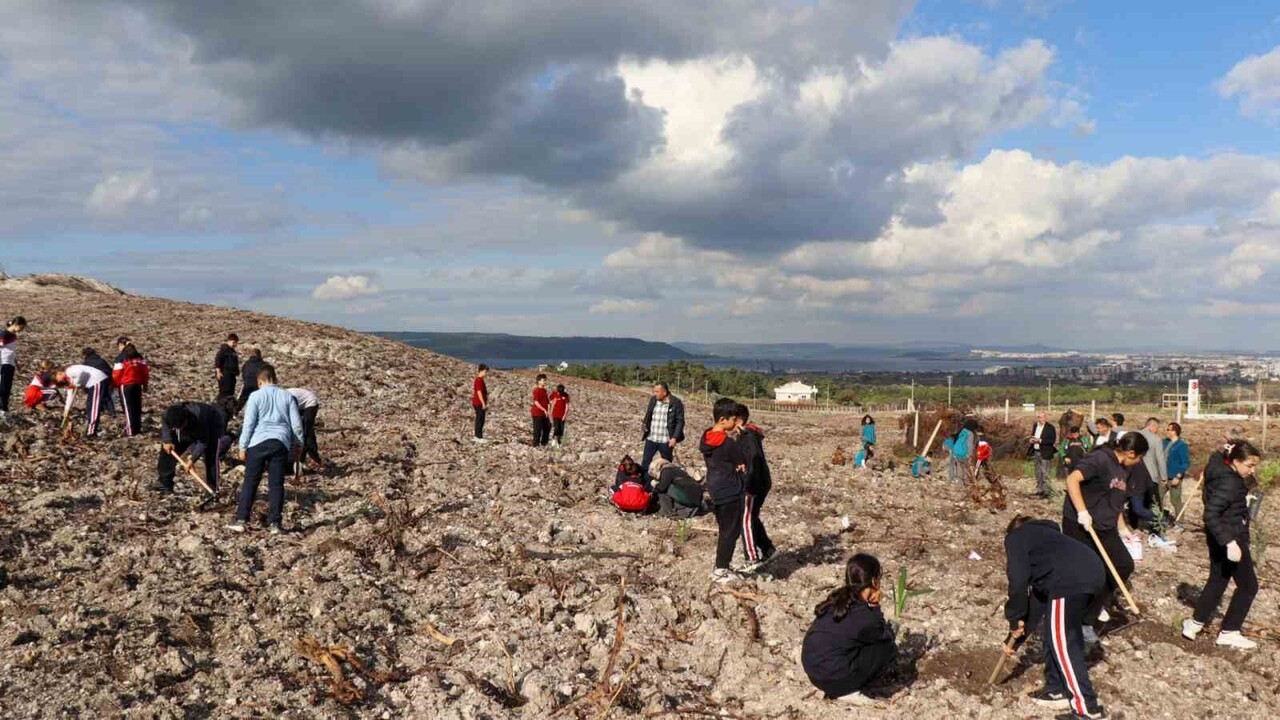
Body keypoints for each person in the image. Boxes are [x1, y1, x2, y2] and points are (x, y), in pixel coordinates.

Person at [1003, 515, 1108, 719]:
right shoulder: (1049, 546)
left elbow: (1017, 583)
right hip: (1093, 573)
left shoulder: (1016, 537)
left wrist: (1013, 617)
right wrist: (1013, 640)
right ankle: (1056, 689)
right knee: (1054, 635)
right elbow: (1036, 603)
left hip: (1070, 581)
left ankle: (1088, 709)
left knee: (1064, 642)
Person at [1062, 432, 1149, 633]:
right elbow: (1072, 480)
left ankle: (1094, 607)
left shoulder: (1124, 469)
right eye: (1139, 457)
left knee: (1123, 564)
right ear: (1130, 453)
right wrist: (1082, 512)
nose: (1139, 462)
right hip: (1081, 525)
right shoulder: (1100, 459)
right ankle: (1079, 620)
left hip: (1105, 525)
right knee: (1088, 571)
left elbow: (1115, 501)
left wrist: (1123, 529)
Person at [1183, 441, 1263, 650]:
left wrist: (1225, 448)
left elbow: (1216, 456)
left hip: (1217, 536)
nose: (1252, 470)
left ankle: (1195, 623)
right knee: (1248, 586)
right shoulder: (1230, 483)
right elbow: (1210, 514)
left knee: (1218, 579)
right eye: (1249, 465)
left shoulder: (1217, 467)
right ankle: (1230, 631)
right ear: (1235, 461)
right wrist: (1230, 542)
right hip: (1231, 536)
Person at [800, 553, 897, 705]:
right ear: (874, 581)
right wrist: (875, 606)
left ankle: (842, 683)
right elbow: (881, 634)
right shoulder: (864, 614)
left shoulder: (838, 598)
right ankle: (847, 690)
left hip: (813, 672)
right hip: (833, 679)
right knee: (887, 647)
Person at [229, 363, 303, 535]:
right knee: (276, 484)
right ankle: (275, 523)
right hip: (280, 442)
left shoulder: (255, 396)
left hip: (258, 442)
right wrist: (298, 444)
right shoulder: (287, 396)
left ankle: (241, 520)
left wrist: (242, 446)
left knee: (250, 481)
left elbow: (249, 424)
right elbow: (297, 425)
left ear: (260, 381)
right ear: (274, 378)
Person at [701, 397, 748, 583]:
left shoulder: (705, 437)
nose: (735, 423)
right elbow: (742, 462)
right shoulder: (728, 444)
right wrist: (742, 437)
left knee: (724, 528)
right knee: (730, 531)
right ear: (723, 420)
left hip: (715, 488)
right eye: (733, 419)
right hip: (730, 490)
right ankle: (721, 569)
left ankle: (722, 566)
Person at [735, 403, 777, 571]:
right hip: (759, 481)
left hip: (753, 484)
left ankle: (752, 559)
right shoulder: (747, 435)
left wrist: (748, 483)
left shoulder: (748, 437)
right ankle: (768, 549)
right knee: (751, 517)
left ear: (738, 420)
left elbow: (754, 461)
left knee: (745, 519)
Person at [156, 401, 231, 494]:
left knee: (211, 455)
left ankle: (212, 489)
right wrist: (167, 440)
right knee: (169, 449)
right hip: (187, 426)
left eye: (181, 426)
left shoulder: (200, 418)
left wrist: (192, 460)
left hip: (212, 425)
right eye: (177, 427)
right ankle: (165, 483)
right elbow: (165, 424)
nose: (179, 429)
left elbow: (203, 442)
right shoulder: (169, 414)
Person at [641, 382, 685, 484]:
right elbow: (649, 414)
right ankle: (645, 484)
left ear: (664, 392)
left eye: (657, 391)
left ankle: (663, 485)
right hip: (651, 437)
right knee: (646, 463)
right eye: (654, 391)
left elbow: (680, 421)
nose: (654, 393)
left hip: (666, 440)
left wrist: (674, 437)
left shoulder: (676, 403)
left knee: (666, 465)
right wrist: (645, 424)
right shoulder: (653, 400)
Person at [56, 363, 110, 437]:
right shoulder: (67, 380)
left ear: (60, 373)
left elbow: (81, 372)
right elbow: (70, 396)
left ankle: (91, 432)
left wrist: (76, 384)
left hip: (97, 380)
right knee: (89, 405)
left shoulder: (69, 371)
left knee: (93, 406)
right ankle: (90, 429)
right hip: (93, 384)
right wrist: (66, 410)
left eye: (57, 377)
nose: (59, 380)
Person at [112, 343, 150, 437]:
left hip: (126, 385)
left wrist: (115, 384)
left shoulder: (121, 358)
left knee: (128, 408)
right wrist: (145, 383)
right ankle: (137, 428)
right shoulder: (140, 358)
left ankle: (130, 430)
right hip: (137, 384)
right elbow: (145, 371)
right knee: (137, 407)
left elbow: (117, 374)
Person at [1137, 417, 1169, 514]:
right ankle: (1155, 520)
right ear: (1152, 426)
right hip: (1150, 474)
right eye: (1157, 428)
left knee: (1137, 500)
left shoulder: (1135, 435)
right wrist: (1164, 476)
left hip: (1134, 473)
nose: (1157, 431)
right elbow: (1160, 459)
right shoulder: (1156, 439)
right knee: (1153, 501)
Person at [287, 387, 323, 470]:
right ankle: (301, 458)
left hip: (310, 403)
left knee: (307, 432)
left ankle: (315, 458)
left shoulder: (286, 398)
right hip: (299, 405)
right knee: (301, 431)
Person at [0, 316, 26, 417]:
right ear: (16, 325)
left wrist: (17, 364)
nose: (22, 330)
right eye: (21, 327)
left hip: (10, 363)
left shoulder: (13, 335)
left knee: (7, 387)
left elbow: (12, 351)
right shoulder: (4, 334)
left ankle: (4, 408)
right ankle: (2, 408)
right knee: (3, 387)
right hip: (4, 363)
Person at [1029, 412, 1058, 498]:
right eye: (1040, 417)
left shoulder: (1050, 427)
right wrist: (1031, 440)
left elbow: (1052, 440)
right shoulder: (1035, 426)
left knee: (1045, 473)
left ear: (1046, 417)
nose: (1042, 419)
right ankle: (1039, 490)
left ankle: (1046, 492)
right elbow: (1033, 436)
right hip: (1036, 451)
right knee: (1038, 472)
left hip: (1046, 452)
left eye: (1043, 417)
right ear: (1037, 418)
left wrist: (1040, 440)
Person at [82, 347, 117, 416]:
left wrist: (85, 388)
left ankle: (93, 410)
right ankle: (112, 411)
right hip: (106, 379)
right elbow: (110, 370)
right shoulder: (101, 360)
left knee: (92, 396)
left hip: (95, 380)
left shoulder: (87, 362)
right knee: (106, 395)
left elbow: (85, 375)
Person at [1165, 422, 1190, 513]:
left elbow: (1185, 463)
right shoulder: (1165, 442)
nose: (1167, 431)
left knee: (1175, 500)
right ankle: (1158, 518)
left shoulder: (1181, 445)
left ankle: (1180, 520)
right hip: (1163, 476)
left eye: (1169, 429)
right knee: (1157, 498)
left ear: (1174, 432)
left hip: (1174, 478)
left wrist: (1178, 476)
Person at [214, 333, 240, 402]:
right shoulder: (223, 350)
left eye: (236, 343)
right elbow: (218, 360)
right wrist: (218, 372)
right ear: (228, 341)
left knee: (230, 392)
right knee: (225, 392)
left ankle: (228, 405)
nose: (235, 344)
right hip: (225, 375)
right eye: (233, 342)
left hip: (232, 375)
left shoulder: (232, 351)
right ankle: (221, 404)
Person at [530, 374, 551, 447]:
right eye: (544, 380)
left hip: (544, 413)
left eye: (545, 380)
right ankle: (536, 444)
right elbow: (536, 402)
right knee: (537, 429)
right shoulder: (537, 391)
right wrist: (543, 409)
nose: (545, 382)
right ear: (539, 381)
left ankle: (544, 443)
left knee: (548, 426)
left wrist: (548, 410)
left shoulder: (544, 390)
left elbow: (547, 401)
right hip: (537, 413)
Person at [472, 364, 489, 443]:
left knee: (480, 419)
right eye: (485, 371)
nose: (485, 373)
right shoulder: (479, 380)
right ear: (481, 371)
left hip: (478, 402)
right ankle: (478, 436)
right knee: (480, 419)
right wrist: (483, 403)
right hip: (479, 403)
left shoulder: (479, 380)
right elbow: (479, 392)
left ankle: (478, 436)